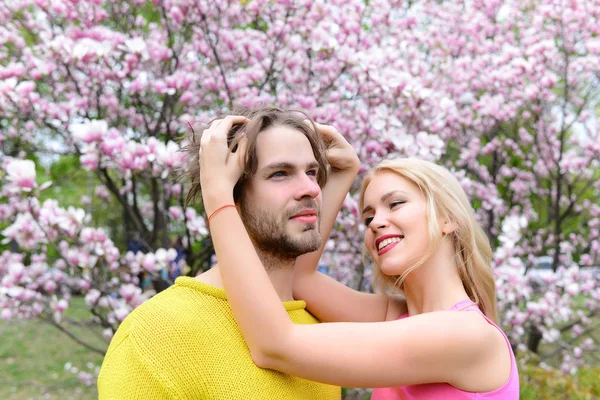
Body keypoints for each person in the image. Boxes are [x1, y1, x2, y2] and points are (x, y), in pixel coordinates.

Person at [199, 120, 520, 399]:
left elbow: (275, 345)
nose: (377, 223)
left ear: (449, 219)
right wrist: (343, 174)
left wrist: (218, 196)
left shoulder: (467, 335)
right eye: (368, 217)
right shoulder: (395, 316)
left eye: (395, 204)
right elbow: (299, 278)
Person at [97, 106, 361, 399]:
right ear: (229, 191)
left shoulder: (316, 326)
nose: (310, 188)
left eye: (312, 172)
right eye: (280, 174)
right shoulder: (155, 336)